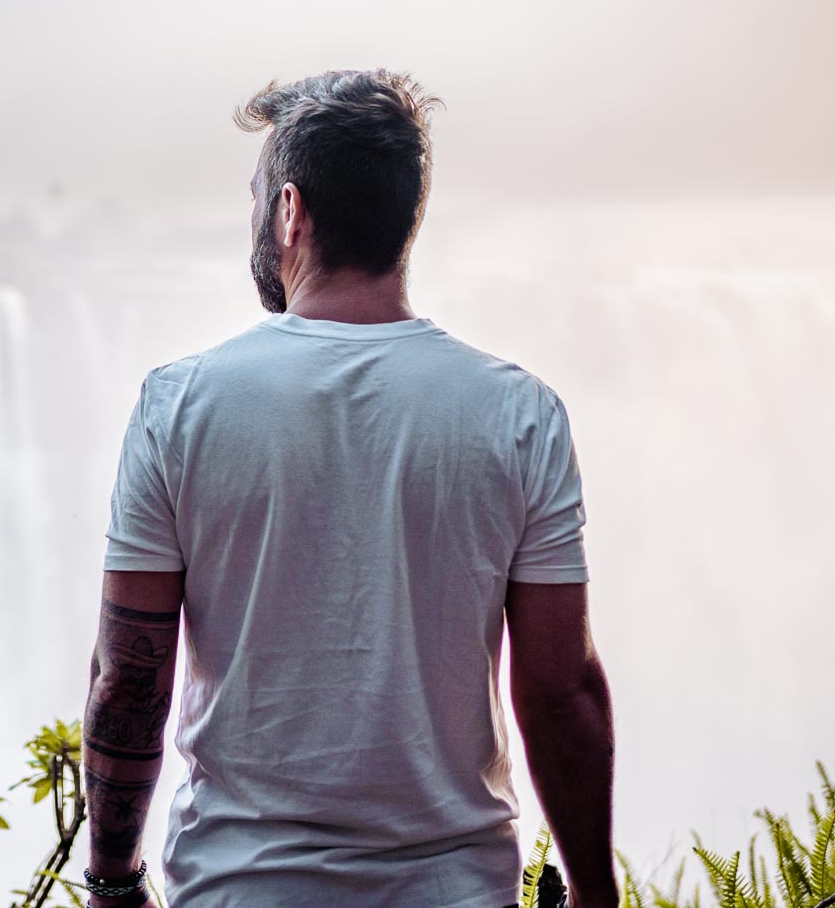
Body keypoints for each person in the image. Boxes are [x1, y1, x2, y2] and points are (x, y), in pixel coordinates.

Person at [79, 70, 617, 908]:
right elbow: (559, 689)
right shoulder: (519, 414)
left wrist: (114, 880)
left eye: (258, 197)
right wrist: (594, 892)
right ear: (404, 221)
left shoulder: (178, 406)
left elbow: (128, 678)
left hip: (237, 890)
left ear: (290, 210)